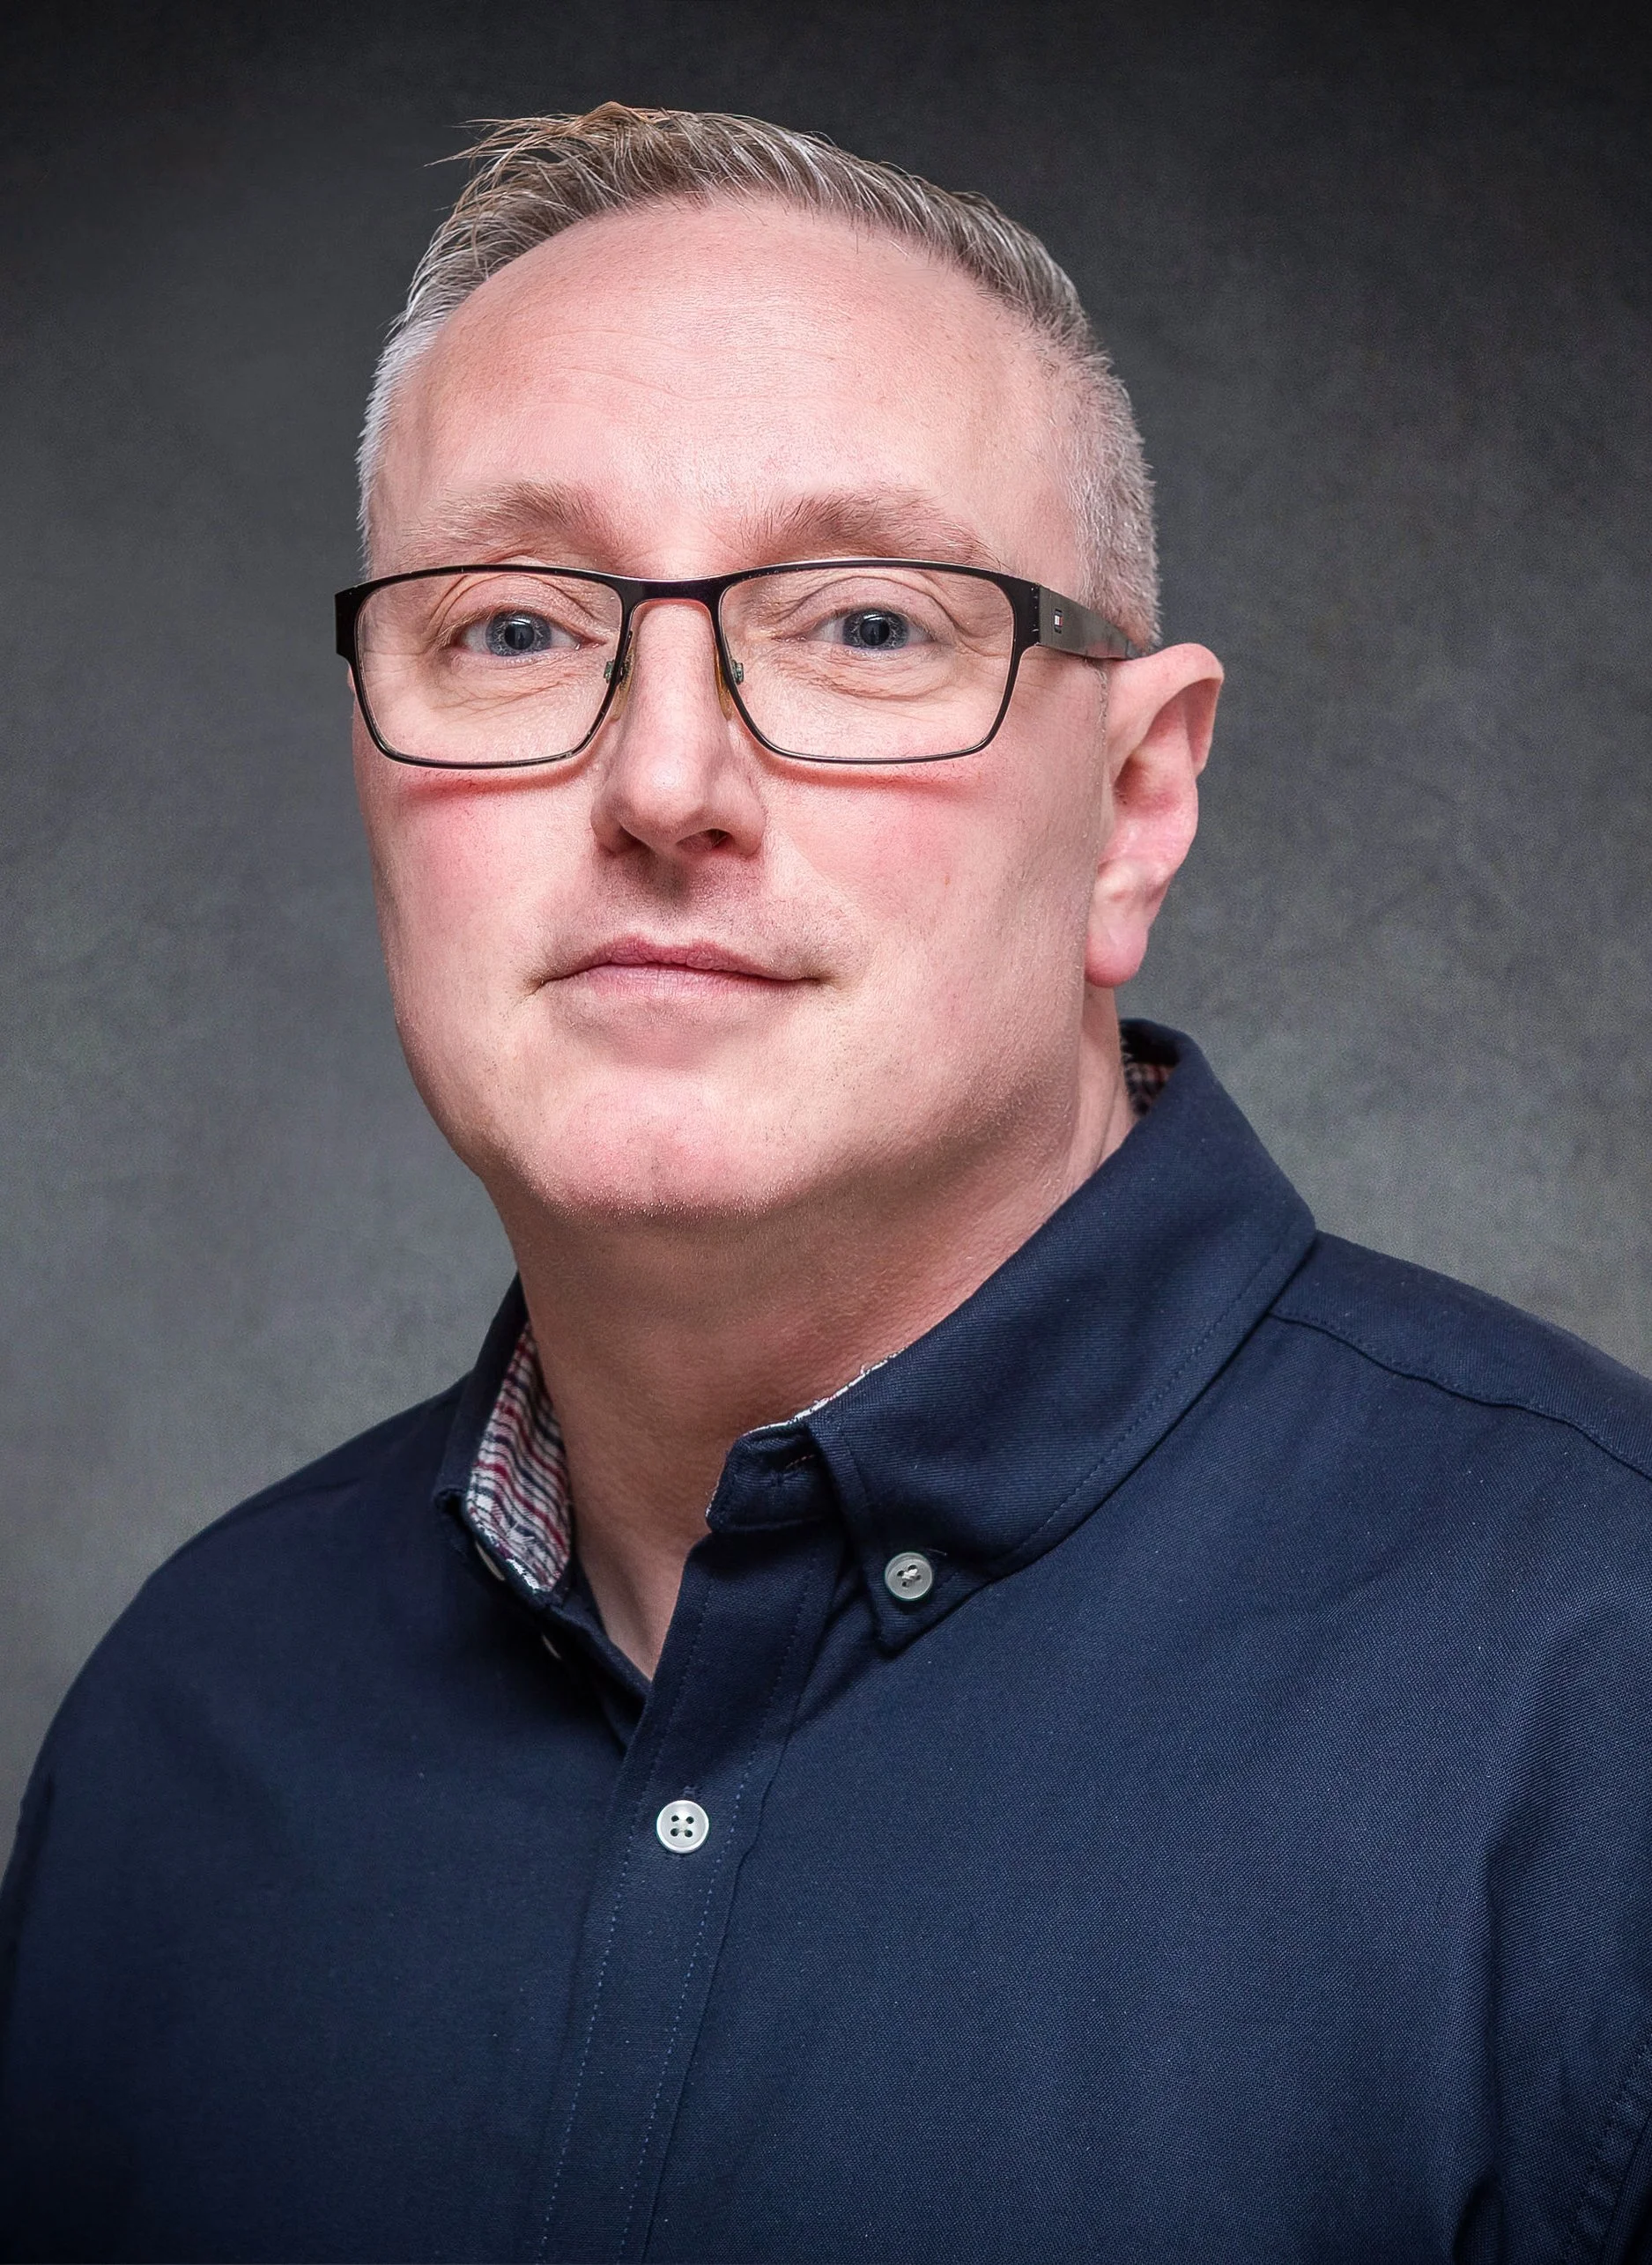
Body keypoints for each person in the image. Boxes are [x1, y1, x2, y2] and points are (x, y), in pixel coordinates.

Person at [4, 100, 1652, 2265]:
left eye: (866, 625)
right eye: (512, 628)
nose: (663, 777)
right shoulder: (179, 1730)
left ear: (1135, 808)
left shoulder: (1604, 1700)